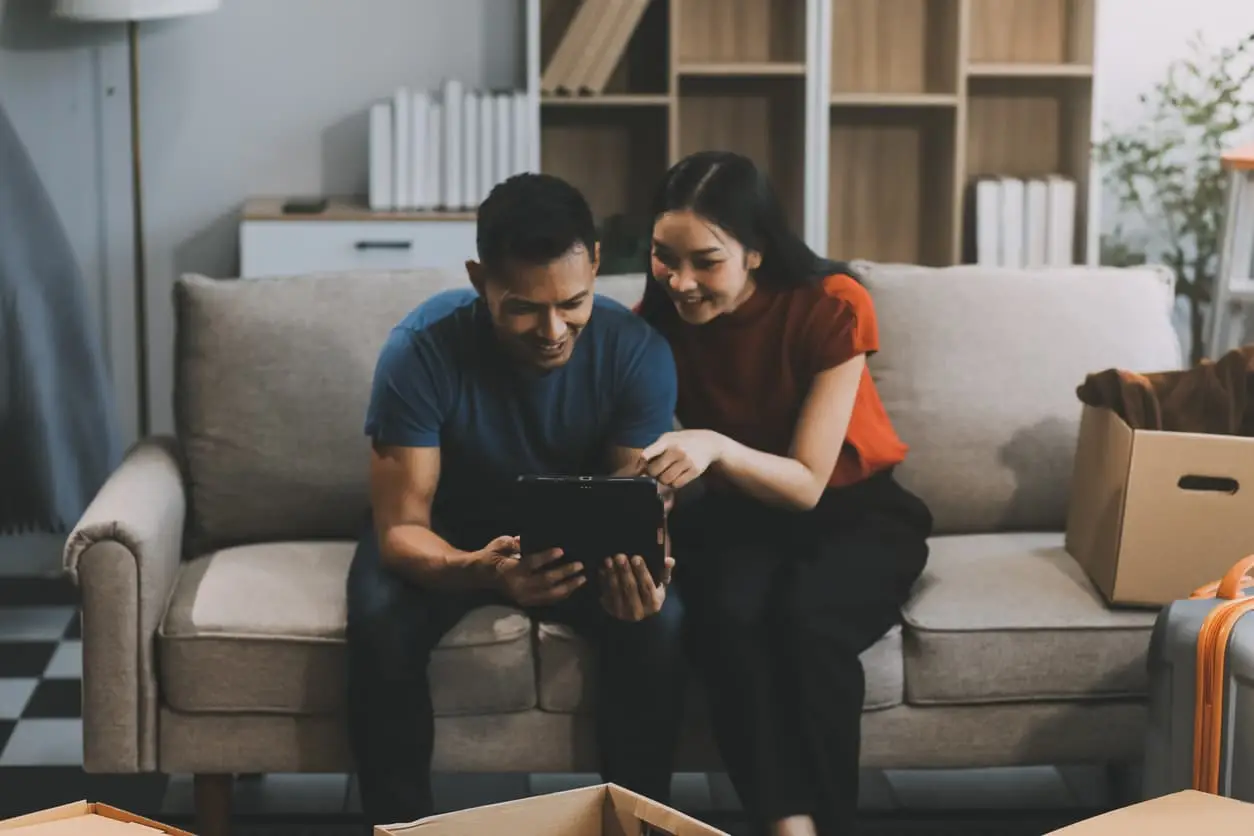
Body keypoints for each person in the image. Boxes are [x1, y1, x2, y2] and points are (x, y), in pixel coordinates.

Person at [346, 172, 685, 827]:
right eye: (524, 307)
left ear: (594, 261)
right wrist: (482, 570)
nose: (553, 329)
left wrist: (641, 570)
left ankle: (632, 827)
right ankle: (399, 827)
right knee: (379, 621)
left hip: (576, 538)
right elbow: (401, 529)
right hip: (449, 534)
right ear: (480, 280)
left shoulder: (636, 351)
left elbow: (632, 503)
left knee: (659, 622)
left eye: (574, 302)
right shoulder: (420, 349)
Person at [635, 151, 933, 836]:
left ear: (758, 251)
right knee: (726, 620)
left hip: (856, 511)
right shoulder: (653, 319)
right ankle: (786, 825)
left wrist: (711, 445)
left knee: (806, 625)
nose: (680, 282)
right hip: (744, 513)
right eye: (662, 256)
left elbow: (805, 483)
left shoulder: (831, 304)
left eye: (705, 261)